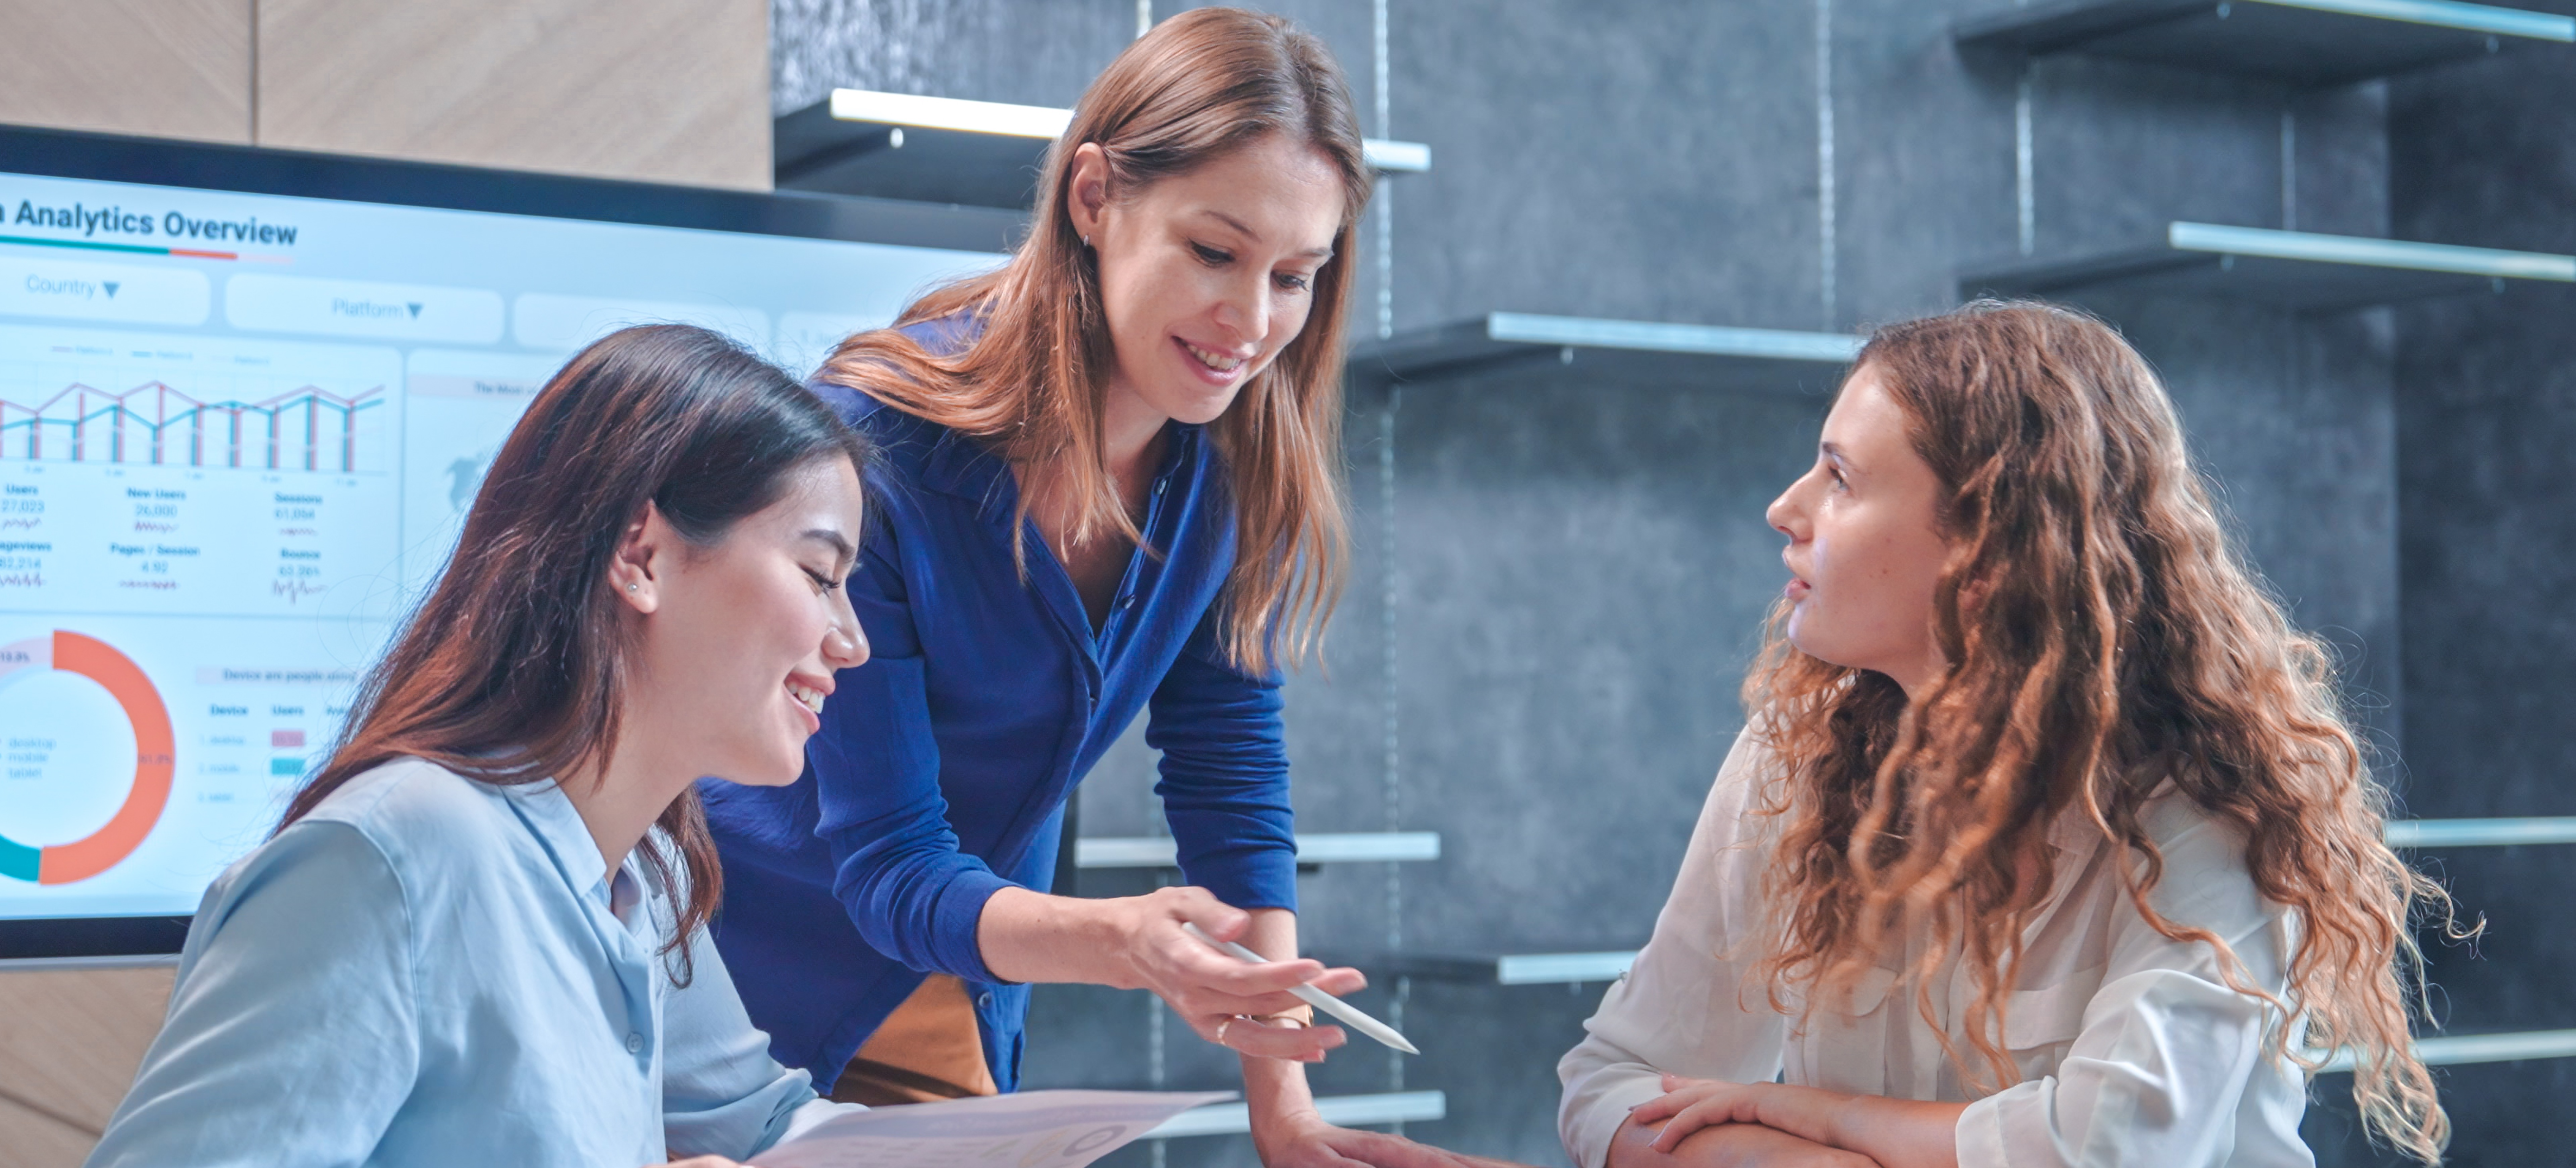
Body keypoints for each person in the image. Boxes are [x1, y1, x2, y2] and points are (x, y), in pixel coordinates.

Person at [700, 9, 1473, 1167]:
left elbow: (1229, 786)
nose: (1254, 324)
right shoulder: (879, 452)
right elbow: (891, 866)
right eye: (1216, 253)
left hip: (962, 970)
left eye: (1295, 277)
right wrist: (1126, 941)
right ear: (1096, 198)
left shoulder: (1223, 468)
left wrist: (1287, 1114)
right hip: (734, 974)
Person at [1557, 302, 2456, 1168]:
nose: (1785, 509)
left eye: (1841, 477)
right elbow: (1616, 1079)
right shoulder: (1794, 756)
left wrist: (1816, 1112)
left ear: (1986, 554)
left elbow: (2111, 1151)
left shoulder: (2200, 810)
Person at [86, 325, 872, 1168]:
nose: (851, 639)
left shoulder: (645, 873)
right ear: (642, 554)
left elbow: (764, 1130)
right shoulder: (390, 857)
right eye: (821, 576)